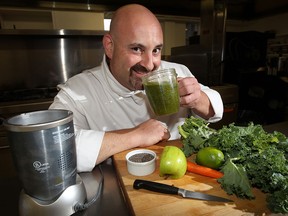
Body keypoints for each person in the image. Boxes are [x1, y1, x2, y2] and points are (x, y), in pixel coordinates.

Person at [49, 4, 223, 172]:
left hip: (174, 181)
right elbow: (55, 150)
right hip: (115, 187)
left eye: (156, 50)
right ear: (110, 46)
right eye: (137, 49)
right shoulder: (76, 92)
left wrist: (197, 98)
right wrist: (135, 135)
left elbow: (214, 110)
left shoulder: (175, 72)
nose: (149, 65)